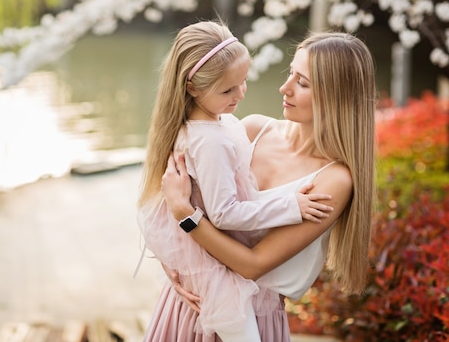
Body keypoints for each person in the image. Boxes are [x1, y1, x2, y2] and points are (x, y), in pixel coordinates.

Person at [159, 31, 376, 341]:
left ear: (337, 96)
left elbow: (252, 265)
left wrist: (185, 214)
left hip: (250, 322)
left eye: (302, 83)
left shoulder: (333, 180)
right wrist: (175, 265)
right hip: (187, 302)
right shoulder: (250, 129)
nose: (284, 88)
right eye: (291, 73)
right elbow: (178, 183)